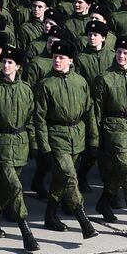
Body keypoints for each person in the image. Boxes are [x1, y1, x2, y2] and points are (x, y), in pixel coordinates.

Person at [33, 39, 100, 240]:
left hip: (76, 138)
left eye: (61, 57)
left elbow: (90, 113)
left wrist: (93, 141)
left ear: (71, 60)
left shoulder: (80, 82)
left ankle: (50, 215)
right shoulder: (46, 84)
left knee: (61, 181)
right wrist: (43, 147)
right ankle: (83, 219)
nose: (57, 61)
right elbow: (39, 118)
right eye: (54, 57)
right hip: (56, 137)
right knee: (70, 178)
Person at [0, 46, 40, 252]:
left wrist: (33, 143)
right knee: (15, 188)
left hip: (20, 145)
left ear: (18, 67)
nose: (6, 65)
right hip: (2, 145)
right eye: (4, 62)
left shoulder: (26, 90)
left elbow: (31, 120)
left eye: (10, 62)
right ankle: (26, 231)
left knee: (7, 190)